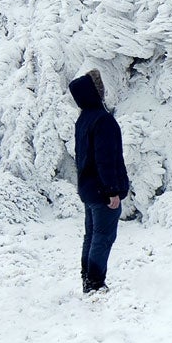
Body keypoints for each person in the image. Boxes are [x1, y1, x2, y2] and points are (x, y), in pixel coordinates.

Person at [69, 69, 130, 294]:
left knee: (91, 235)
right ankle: (95, 283)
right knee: (103, 237)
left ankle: (88, 279)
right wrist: (111, 190)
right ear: (95, 92)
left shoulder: (83, 120)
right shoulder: (102, 120)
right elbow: (105, 158)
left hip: (88, 189)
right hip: (101, 190)